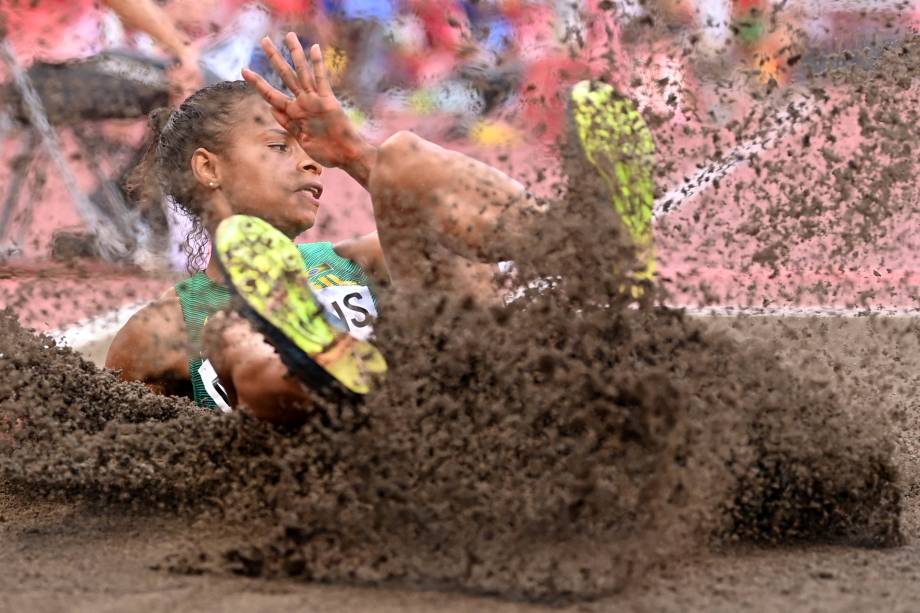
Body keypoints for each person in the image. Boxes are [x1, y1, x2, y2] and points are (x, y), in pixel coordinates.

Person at [106, 34, 654, 423]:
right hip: (344, 460)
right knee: (237, 342)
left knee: (402, 159)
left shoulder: (351, 261)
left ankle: (587, 243)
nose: (309, 164)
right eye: (279, 147)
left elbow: (460, 254)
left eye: (306, 150)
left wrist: (353, 152)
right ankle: (317, 368)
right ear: (208, 168)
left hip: (461, 406)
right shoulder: (161, 328)